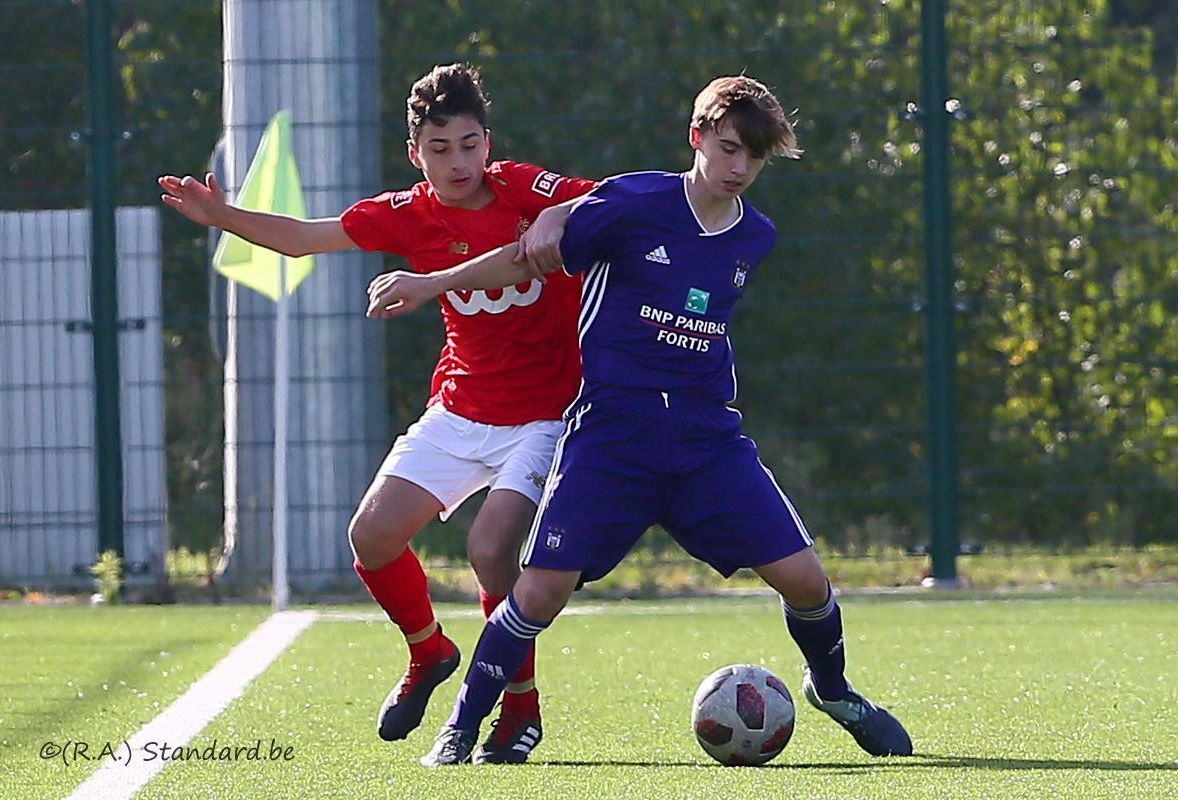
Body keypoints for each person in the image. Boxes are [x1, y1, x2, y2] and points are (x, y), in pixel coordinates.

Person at [366, 74, 914, 766]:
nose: (739, 167)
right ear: (697, 139)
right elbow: (528, 253)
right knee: (537, 591)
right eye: (727, 148)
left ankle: (833, 691)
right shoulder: (633, 202)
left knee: (807, 581)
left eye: (754, 155)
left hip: (704, 440)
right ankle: (462, 725)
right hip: (610, 435)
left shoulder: (757, 238)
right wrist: (437, 280)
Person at [159, 63, 596, 764]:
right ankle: (429, 653)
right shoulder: (411, 213)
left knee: (490, 552)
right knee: (371, 536)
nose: (459, 160)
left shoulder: (521, 187)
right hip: (460, 409)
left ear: (489, 142)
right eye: (440, 147)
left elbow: (607, 202)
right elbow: (306, 236)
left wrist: (556, 212)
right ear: (414, 153)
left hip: (546, 417)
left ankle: (520, 707)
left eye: (470, 143)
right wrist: (223, 216)